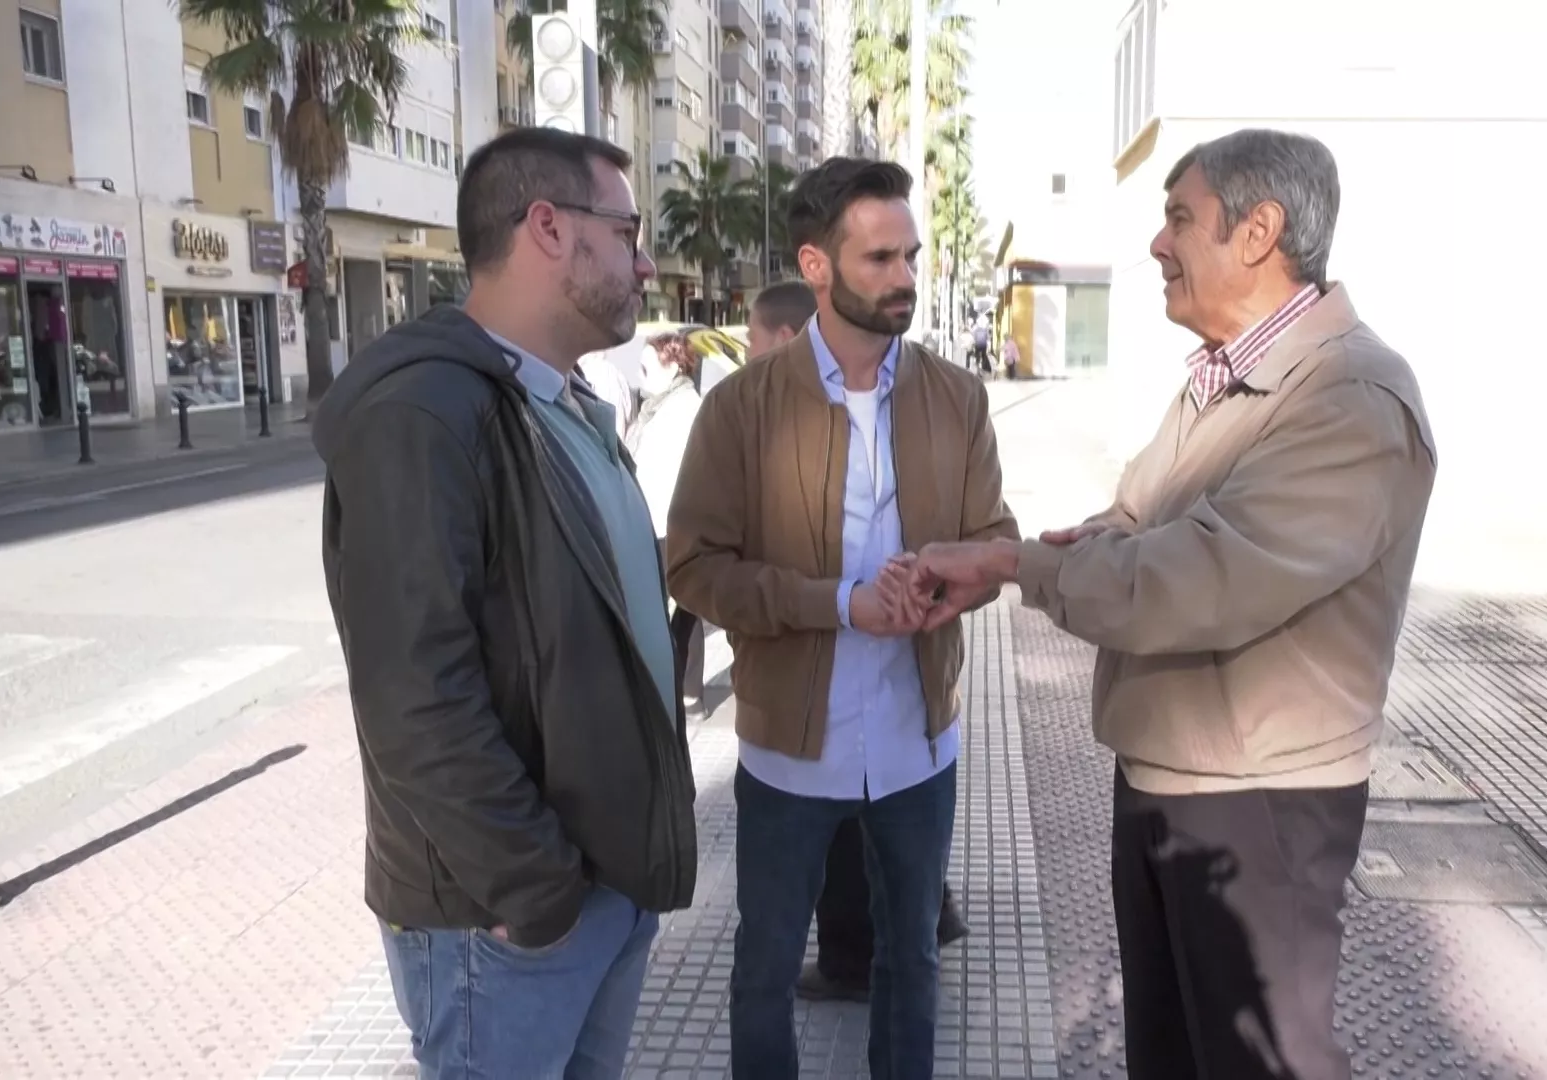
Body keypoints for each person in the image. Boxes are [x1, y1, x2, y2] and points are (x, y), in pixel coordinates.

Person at [904, 129, 1438, 1080]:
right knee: (1172, 1053)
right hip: (1172, 777)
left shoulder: (1348, 395)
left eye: (1179, 218)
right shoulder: (1223, 378)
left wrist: (1013, 564)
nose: (1157, 243)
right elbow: (1131, 518)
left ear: (1260, 232)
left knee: (1256, 1062)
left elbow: (1193, 578)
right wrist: (1032, 557)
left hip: (1260, 804)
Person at [311, 127, 698, 1080]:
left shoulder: (557, 404)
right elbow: (414, 701)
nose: (645, 262)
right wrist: (535, 889)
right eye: (627, 230)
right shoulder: (425, 414)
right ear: (549, 228)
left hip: (595, 891)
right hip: (508, 925)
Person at [665, 156, 1018, 1080]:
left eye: (911, 255)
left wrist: (947, 585)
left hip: (917, 747)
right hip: (790, 754)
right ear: (816, 266)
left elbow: (996, 539)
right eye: (879, 259)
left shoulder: (957, 396)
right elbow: (694, 568)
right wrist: (840, 605)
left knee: (911, 960)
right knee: (765, 968)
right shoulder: (741, 407)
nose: (905, 277)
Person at [631, 330, 710, 719]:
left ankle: (688, 694)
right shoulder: (657, 405)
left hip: (671, 522)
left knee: (683, 610)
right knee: (670, 610)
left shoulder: (685, 407)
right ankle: (676, 689)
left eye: (647, 365)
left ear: (673, 363)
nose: (640, 374)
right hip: (652, 519)